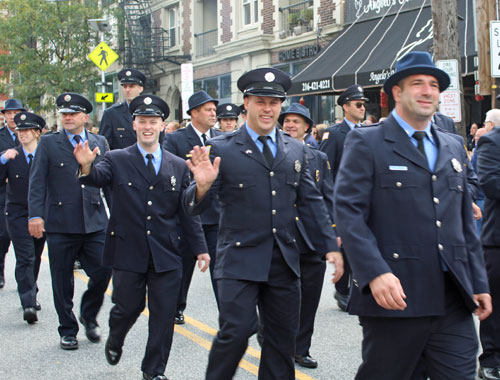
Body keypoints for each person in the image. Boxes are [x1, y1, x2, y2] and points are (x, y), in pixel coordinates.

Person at [334, 51, 491, 380]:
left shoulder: (451, 145)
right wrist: (375, 272)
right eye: (417, 83)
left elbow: (463, 223)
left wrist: (477, 281)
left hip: (452, 297)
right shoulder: (367, 141)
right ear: (397, 92)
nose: (427, 91)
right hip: (395, 295)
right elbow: (349, 212)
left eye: (433, 85)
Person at [183, 67, 343, 380]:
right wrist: (201, 186)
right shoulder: (223, 148)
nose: (267, 108)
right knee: (237, 331)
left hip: (283, 260)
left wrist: (330, 245)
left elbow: (311, 202)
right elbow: (193, 206)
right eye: (260, 101)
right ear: (247, 103)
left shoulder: (295, 148)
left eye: (274, 102)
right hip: (239, 258)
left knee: (282, 340)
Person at [74, 94, 210, 380]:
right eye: (142, 121)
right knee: (128, 306)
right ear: (134, 125)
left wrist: (200, 248)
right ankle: (116, 336)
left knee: (163, 315)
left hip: (167, 252)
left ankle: (154, 370)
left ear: (162, 125)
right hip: (128, 250)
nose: (148, 126)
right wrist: (86, 166)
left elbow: (187, 210)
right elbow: (96, 178)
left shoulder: (177, 164)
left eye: (153, 121)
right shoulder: (116, 158)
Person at [28, 92, 112, 350]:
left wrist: (120, 216)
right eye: (64, 114)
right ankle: (67, 329)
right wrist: (35, 215)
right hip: (61, 222)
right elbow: (37, 181)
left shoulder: (99, 141)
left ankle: (88, 314)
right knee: (62, 279)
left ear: (85, 117)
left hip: (95, 220)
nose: (67, 117)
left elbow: (109, 181)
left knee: (102, 271)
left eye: (73, 113)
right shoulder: (49, 143)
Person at [279, 102, 335, 369]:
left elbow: (327, 199)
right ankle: (277, 343)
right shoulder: (272, 154)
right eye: (287, 121)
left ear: (307, 129)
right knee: (279, 298)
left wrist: (332, 234)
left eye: (296, 122)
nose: (290, 125)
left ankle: (301, 348)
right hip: (281, 240)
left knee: (309, 299)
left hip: (311, 242)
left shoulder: (319, 159)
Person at [163, 90, 221, 322]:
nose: (213, 114)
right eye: (208, 110)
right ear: (194, 113)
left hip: (215, 214)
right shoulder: (176, 139)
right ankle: (177, 306)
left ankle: (226, 312)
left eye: (214, 110)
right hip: (187, 213)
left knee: (220, 268)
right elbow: (169, 172)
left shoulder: (218, 138)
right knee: (184, 266)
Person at [320, 84, 369, 311]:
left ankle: (360, 288)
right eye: (358, 105)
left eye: (364, 105)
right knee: (346, 247)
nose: (362, 108)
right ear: (346, 107)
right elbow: (326, 170)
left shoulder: (367, 132)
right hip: (343, 199)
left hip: (365, 199)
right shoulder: (334, 134)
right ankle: (342, 290)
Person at [0, 111, 46, 324]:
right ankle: (28, 301)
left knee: (35, 256)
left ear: (37, 133)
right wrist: (2, 160)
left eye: (27, 130)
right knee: (25, 256)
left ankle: (31, 289)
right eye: (20, 130)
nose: (23, 134)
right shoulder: (11, 155)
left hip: (41, 214)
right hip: (17, 214)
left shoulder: (45, 156)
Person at [477, 109, 500, 380]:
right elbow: (491, 183)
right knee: (496, 304)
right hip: (497, 241)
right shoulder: (491, 141)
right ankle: (491, 359)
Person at [0, 98, 24, 289]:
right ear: (4, 116)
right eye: (9, 113)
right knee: (3, 235)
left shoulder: (30, 135)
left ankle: (26, 282)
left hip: (25, 194)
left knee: (27, 244)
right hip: (3, 193)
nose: (13, 117)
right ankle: (0, 269)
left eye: (16, 113)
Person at [99, 68, 146, 150]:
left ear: (140, 88)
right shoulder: (111, 114)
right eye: (125, 86)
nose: (127, 90)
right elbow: (103, 146)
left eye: (132, 86)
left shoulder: (149, 112)